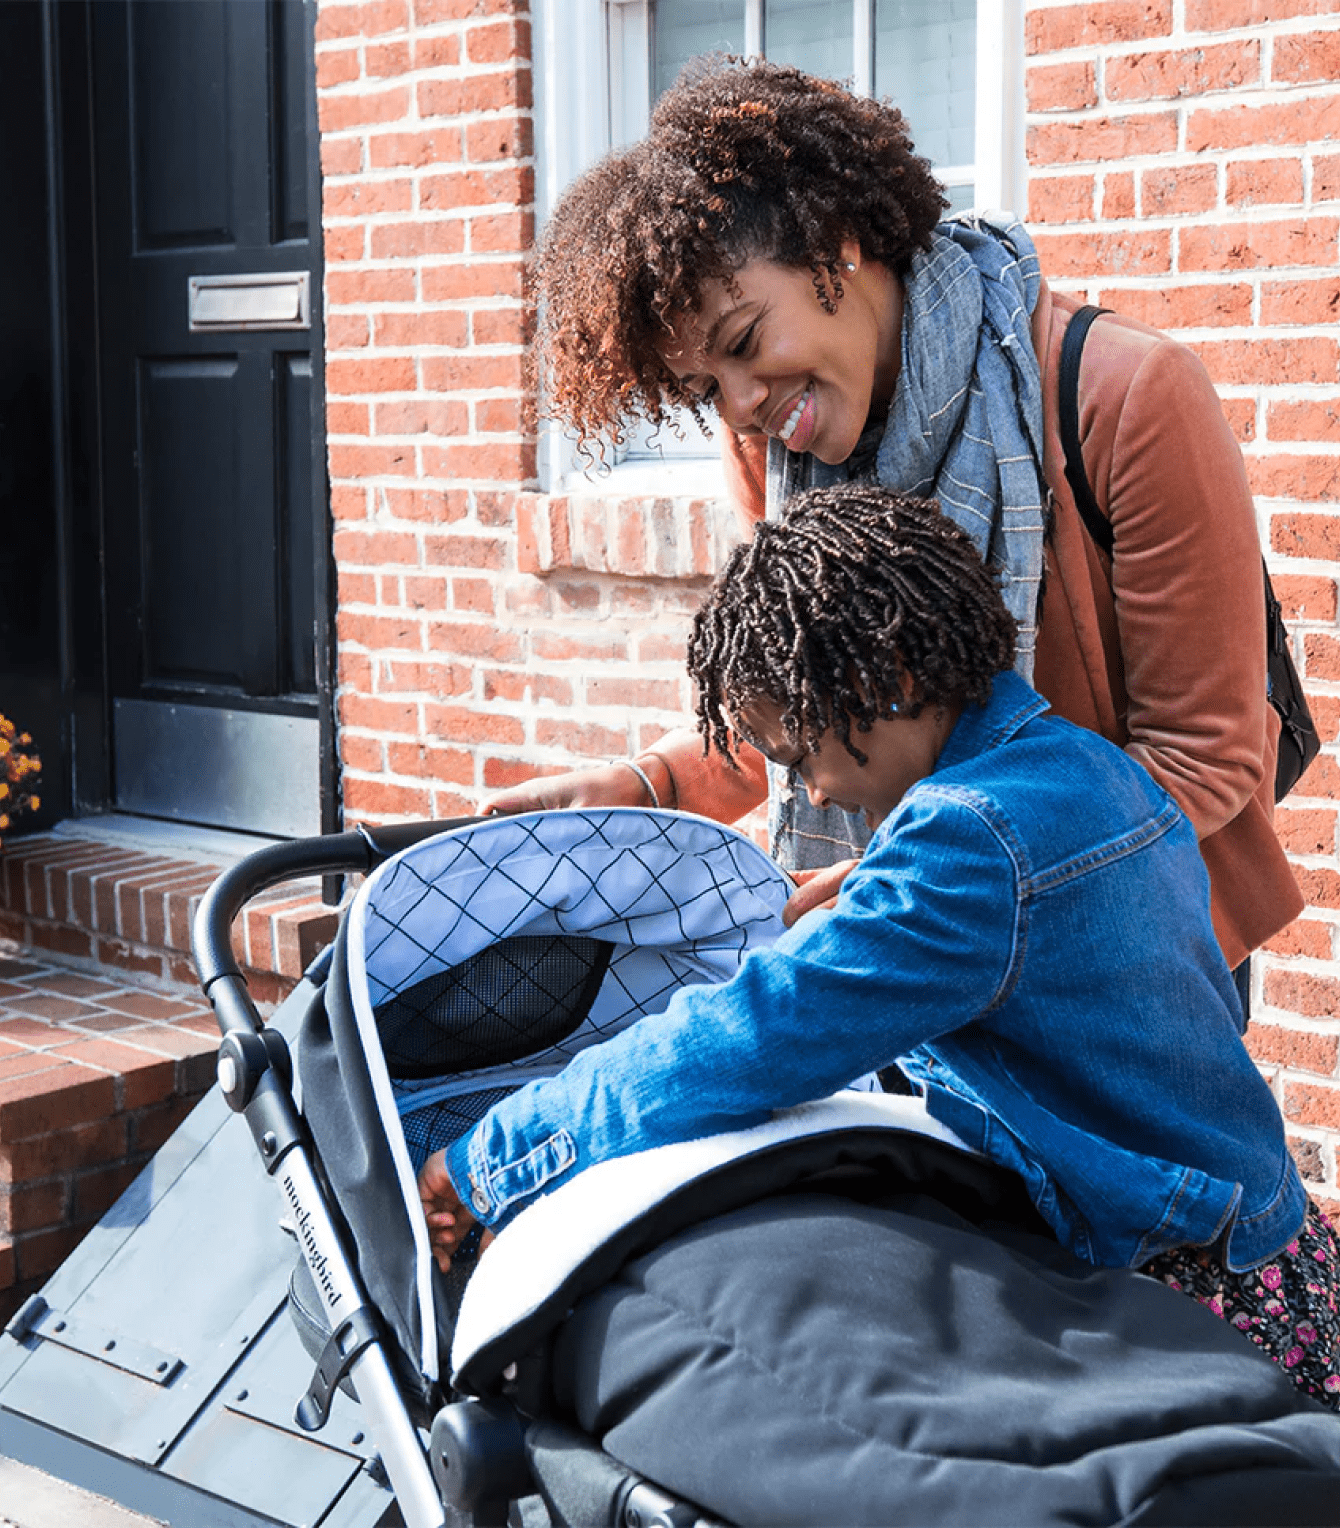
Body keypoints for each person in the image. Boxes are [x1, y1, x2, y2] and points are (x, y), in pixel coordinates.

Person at [422, 485, 1340, 1409]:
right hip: (1280, 1255)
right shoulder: (1091, 769)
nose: (813, 795)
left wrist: (489, 1158)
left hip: (1193, 1307)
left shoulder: (967, 847)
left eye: (800, 752)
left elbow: (752, 1035)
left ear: (889, 678)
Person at [490, 57, 1300, 1022]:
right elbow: (811, 711)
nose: (741, 409)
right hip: (908, 959)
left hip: (1121, 966)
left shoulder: (1125, 398)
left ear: (838, 249)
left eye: (745, 341)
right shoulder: (771, 456)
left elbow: (1201, 760)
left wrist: (937, 883)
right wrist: (648, 786)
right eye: (707, 388)